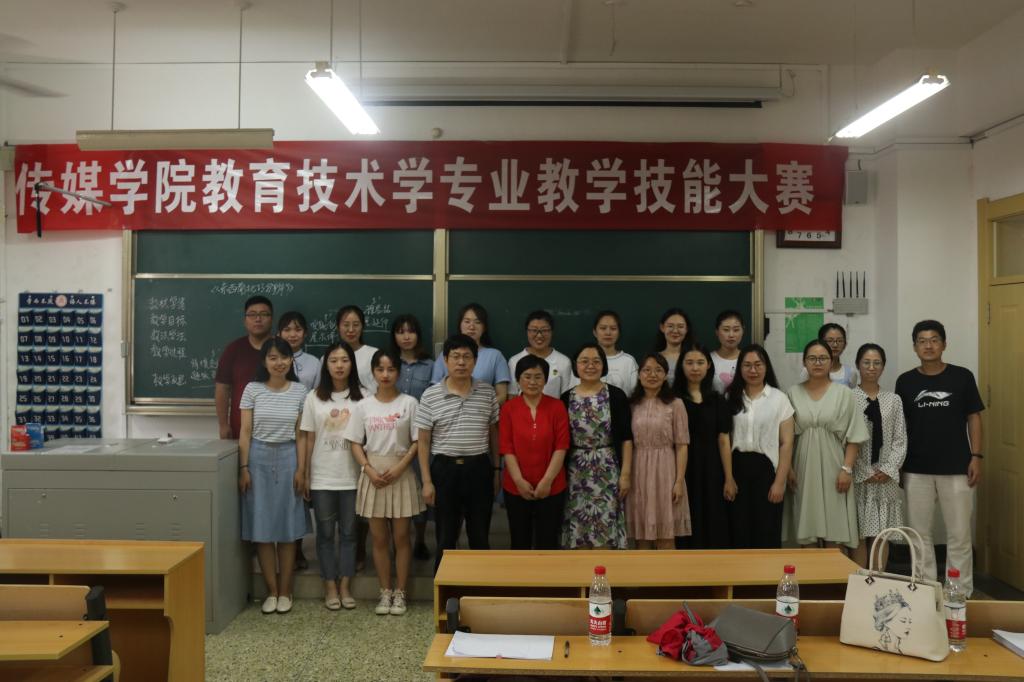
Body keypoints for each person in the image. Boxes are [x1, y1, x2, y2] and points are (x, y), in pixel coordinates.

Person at [895, 320, 983, 597]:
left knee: (959, 534)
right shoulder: (905, 381)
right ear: (914, 347)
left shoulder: (962, 377)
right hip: (916, 468)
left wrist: (976, 456)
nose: (929, 345)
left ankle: (959, 593)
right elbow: (899, 426)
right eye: (922, 341)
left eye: (934, 340)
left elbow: (974, 417)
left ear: (944, 344)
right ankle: (925, 591)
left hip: (957, 467)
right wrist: (898, 465)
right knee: (919, 534)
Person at [346, 349, 423, 616]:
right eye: (380, 369)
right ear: (373, 372)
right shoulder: (363, 406)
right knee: (378, 539)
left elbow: (418, 441)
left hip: (401, 473)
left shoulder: (409, 403)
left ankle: (400, 593)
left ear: (398, 372)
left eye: (391, 369)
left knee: (401, 537)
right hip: (373, 475)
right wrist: (367, 469)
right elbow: (355, 442)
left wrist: (401, 466)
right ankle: (385, 591)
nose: (386, 374)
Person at [237, 337, 309, 615]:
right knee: (263, 529)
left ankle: (286, 591)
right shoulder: (252, 389)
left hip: (290, 457)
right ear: (264, 361)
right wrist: (244, 468)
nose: (279, 363)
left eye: (284, 357)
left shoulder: (300, 391)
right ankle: (271, 591)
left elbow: (302, 435)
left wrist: (302, 470)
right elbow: (245, 432)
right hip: (258, 458)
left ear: (291, 360)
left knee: (288, 529)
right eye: (273, 357)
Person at [417, 334, 500, 572]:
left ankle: (480, 589)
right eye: (455, 356)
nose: (461, 362)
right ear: (445, 360)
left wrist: (497, 470)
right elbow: (423, 441)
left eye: (467, 357)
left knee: (480, 537)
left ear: (475, 361)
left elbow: (494, 435)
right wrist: (427, 481)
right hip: (445, 470)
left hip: (479, 469)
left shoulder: (487, 392)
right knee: (445, 538)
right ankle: (444, 591)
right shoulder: (431, 395)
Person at [786, 340, 869, 552]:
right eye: (812, 358)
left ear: (831, 361)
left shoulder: (844, 393)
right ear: (804, 362)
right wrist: (789, 468)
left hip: (835, 467)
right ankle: (811, 575)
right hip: (803, 467)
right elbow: (787, 437)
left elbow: (854, 436)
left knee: (835, 529)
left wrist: (846, 469)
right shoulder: (793, 393)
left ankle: (833, 574)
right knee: (807, 530)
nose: (817, 363)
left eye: (823, 358)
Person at [300, 341, 363, 610]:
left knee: (350, 533)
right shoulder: (314, 397)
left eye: (345, 360)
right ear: (326, 365)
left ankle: (345, 585)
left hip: (353, 477)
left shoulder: (364, 397)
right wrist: (305, 474)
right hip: (322, 476)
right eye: (334, 360)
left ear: (352, 364)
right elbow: (308, 438)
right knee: (325, 534)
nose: (339, 365)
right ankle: (329, 586)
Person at [560, 343, 634, 550]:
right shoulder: (565, 398)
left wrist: (625, 474)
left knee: (605, 527)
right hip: (575, 471)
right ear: (576, 365)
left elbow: (627, 438)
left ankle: (605, 569)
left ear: (603, 365)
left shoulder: (616, 396)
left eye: (596, 361)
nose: (590, 366)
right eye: (584, 361)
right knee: (578, 527)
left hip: (607, 468)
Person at [725, 344, 794, 549]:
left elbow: (786, 443)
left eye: (758, 364)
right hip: (736, 469)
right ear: (740, 368)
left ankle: (765, 571)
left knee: (766, 529)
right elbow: (725, 439)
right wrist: (728, 478)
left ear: (766, 367)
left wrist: (779, 482)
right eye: (747, 365)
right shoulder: (730, 397)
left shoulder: (779, 399)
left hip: (766, 472)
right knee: (738, 529)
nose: (753, 370)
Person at [499, 355, 570, 550]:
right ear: (518, 379)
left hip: (552, 486)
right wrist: (519, 481)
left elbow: (561, 446)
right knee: (519, 541)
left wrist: (547, 481)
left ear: (545, 380)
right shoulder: (508, 409)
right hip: (516, 486)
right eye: (527, 376)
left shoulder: (557, 406)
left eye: (538, 377)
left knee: (548, 542)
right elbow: (506, 448)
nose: (532, 382)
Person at [851, 343, 907, 568]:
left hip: (886, 477)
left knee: (881, 534)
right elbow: (845, 439)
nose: (871, 367)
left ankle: (878, 580)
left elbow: (900, 439)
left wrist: (888, 469)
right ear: (858, 365)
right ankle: (860, 581)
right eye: (866, 362)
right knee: (858, 535)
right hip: (858, 477)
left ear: (883, 366)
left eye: (877, 363)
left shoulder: (894, 400)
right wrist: (864, 471)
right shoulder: (848, 397)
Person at [627, 353, 690, 549]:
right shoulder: (631, 405)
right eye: (647, 370)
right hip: (638, 471)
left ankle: (668, 571)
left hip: (666, 471)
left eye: (658, 370)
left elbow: (682, 445)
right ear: (639, 375)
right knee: (641, 538)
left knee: (666, 538)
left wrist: (679, 481)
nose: (652, 375)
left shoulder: (676, 404)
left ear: (665, 375)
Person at [677, 345, 735, 549]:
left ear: (708, 365)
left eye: (700, 362)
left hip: (712, 469)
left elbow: (724, 440)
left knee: (713, 519)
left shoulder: (717, 400)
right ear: (682, 366)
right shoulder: (673, 400)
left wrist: (729, 478)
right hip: (682, 469)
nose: (695, 368)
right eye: (689, 363)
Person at [390, 314, 434, 560]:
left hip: (421, 436)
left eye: (411, 331)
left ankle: (419, 539)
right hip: (391, 435)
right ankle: (398, 540)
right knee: (394, 489)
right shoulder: (388, 363)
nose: (406, 336)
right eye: (400, 331)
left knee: (419, 488)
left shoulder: (430, 365)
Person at [215, 295, 273, 439]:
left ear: (272, 319)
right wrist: (223, 424)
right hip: (240, 430)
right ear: (245, 320)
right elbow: (222, 388)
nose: (258, 319)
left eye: (264, 314)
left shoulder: (281, 349)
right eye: (252, 315)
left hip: (276, 431)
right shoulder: (233, 350)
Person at [430, 303, 511, 405]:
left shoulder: (495, 356)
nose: (471, 327)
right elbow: (435, 390)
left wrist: (477, 408)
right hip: (448, 411)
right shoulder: (446, 354)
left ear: (484, 327)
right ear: (460, 325)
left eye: (477, 322)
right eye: (467, 321)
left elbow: (502, 396)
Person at [507, 310, 576, 399]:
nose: (539, 335)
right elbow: (512, 396)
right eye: (534, 330)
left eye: (545, 330)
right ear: (527, 331)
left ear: (551, 332)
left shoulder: (563, 361)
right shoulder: (514, 361)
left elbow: (566, 397)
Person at [330, 305, 379, 394]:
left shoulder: (375, 354)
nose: (351, 330)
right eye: (346, 325)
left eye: (356, 325)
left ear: (362, 326)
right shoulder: (329, 357)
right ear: (338, 327)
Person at [798, 323, 859, 388]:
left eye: (839, 341)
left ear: (845, 344)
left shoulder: (850, 372)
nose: (835, 345)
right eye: (830, 340)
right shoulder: (808, 371)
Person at [592, 310, 638, 394]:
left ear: (619, 333)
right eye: (603, 328)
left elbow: (636, 394)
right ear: (595, 332)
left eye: (613, 328)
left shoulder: (628, 361)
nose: (608, 333)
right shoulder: (584, 360)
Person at [654, 308, 695, 388]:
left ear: (687, 329)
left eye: (680, 326)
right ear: (662, 327)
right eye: (670, 326)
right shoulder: (654, 359)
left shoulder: (694, 358)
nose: (675, 331)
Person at [278, 311, 318, 390]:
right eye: (287, 330)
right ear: (279, 334)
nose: (292, 335)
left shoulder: (314, 362)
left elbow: (318, 393)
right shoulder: (272, 361)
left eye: (298, 330)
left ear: (305, 333)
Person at [710, 310, 744, 394]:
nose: (731, 335)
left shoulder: (748, 359)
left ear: (743, 331)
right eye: (726, 330)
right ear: (717, 332)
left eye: (736, 330)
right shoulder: (708, 359)